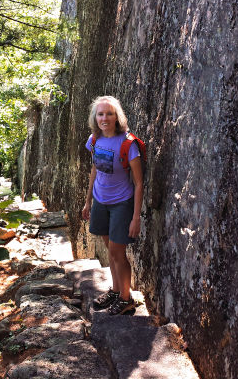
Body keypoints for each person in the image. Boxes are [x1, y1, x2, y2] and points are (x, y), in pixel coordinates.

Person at [82, 95, 143, 315]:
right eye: (100, 114)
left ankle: (127, 299)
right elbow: (94, 170)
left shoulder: (128, 144)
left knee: (118, 252)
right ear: (95, 117)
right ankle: (117, 291)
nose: (104, 118)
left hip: (121, 204)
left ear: (117, 117)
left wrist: (136, 217)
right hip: (100, 200)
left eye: (109, 113)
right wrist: (87, 201)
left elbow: (138, 182)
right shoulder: (95, 140)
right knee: (111, 250)